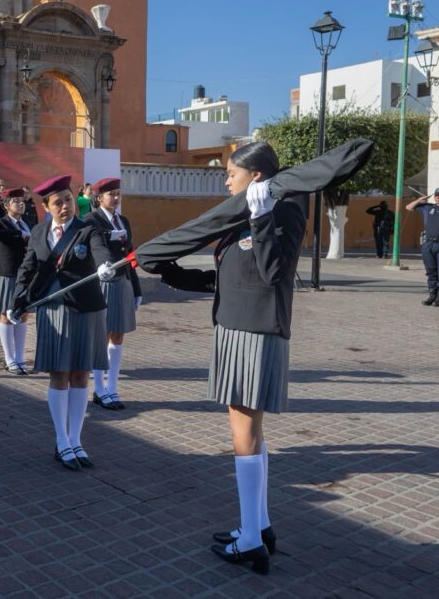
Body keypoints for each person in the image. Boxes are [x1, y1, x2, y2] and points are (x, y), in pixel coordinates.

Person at [155, 142, 305, 576]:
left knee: (243, 433)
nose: (226, 181)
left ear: (255, 176)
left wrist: (260, 216)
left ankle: (251, 542)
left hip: (255, 331)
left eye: (231, 173)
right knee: (250, 432)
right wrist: (172, 273)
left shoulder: (281, 210)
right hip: (237, 325)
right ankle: (259, 526)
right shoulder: (248, 213)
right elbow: (235, 277)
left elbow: (274, 272)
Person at [7, 174, 113, 471]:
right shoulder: (39, 232)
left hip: (86, 309)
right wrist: (17, 300)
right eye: (58, 203)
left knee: (80, 375)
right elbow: (27, 268)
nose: (66, 206)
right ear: (46, 207)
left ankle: (76, 439)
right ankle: (61, 440)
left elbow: (100, 250)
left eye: (68, 200)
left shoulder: (88, 228)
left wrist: (105, 266)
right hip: (53, 310)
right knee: (59, 375)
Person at [84, 178, 142, 410]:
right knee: (102, 335)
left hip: (123, 282)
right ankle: (99, 389)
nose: (116, 198)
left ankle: (112, 387)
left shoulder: (123, 221)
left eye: (118, 193)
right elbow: (98, 247)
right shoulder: (91, 220)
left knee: (118, 335)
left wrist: (136, 288)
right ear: (99, 198)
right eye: (111, 194)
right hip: (104, 281)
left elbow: (130, 255)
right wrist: (105, 264)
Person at [0, 188, 31, 374]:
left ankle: (20, 358)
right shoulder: (1, 222)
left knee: (23, 314)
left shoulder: (26, 223)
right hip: (7, 274)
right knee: (7, 315)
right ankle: (9, 359)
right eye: (15, 201)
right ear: (6, 205)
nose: (20, 204)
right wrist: (17, 235)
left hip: (25, 275)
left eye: (22, 201)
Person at [406, 187, 439, 307]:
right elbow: (409, 207)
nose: (437, 197)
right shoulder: (427, 207)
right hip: (428, 244)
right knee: (431, 271)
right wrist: (420, 199)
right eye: (436, 195)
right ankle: (432, 295)